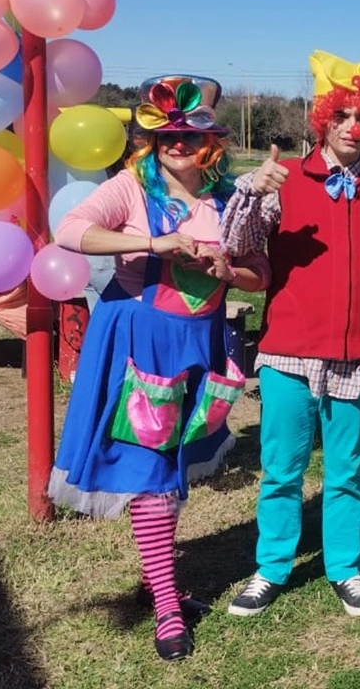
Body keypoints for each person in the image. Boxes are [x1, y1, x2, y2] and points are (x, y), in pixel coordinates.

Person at [220, 47, 360, 619]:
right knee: (282, 469)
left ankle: (345, 567)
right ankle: (272, 567)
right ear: (322, 120)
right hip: (289, 352)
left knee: (347, 472)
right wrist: (251, 190)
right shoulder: (285, 180)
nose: (353, 127)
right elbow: (237, 246)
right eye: (341, 115)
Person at [49, 75, 269, 661]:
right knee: (147, 469)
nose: (178, 144)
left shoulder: (227, 200)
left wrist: (228, 271)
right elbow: (69, 231)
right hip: (141, 343)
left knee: (172, 467)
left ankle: (159, 579)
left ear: (211, 145)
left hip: (202, 344)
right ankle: (168, 603)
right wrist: (155, 242)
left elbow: (259, 273)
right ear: (153, 139)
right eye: (168, 134)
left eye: (190, 136)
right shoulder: (129, 187)